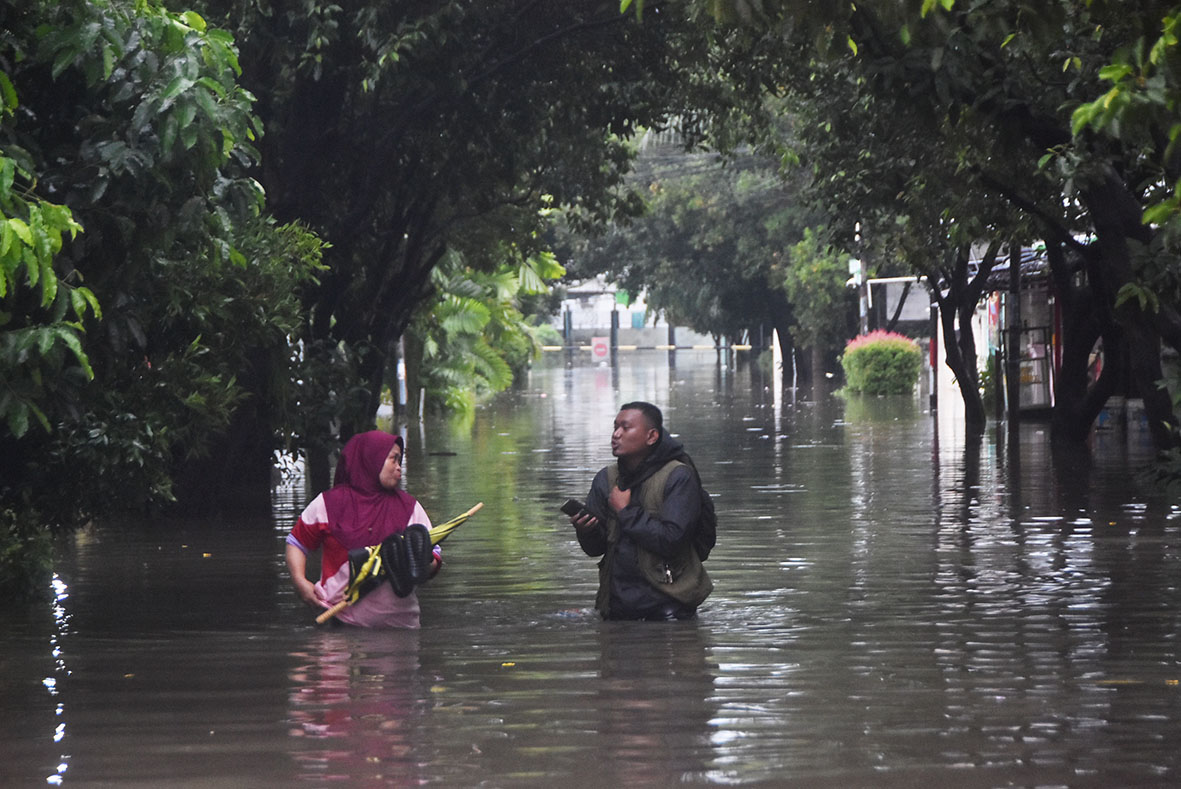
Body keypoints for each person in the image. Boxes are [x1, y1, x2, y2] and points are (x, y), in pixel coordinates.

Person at [570, 401, 712, 620]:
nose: (616, 434)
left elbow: (672, 540)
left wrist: (626, 511)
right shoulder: (605, 479)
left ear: (651, 436)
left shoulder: (679, 477)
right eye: (615, 427)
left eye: (626, 428)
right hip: (616, 607)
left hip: (669, 610)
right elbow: (595, 549)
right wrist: (585, 530)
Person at [286, 430, 441, 628]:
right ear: (372, 459)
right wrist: (299, 581)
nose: (399, 467)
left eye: (400, 460)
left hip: (401, 628)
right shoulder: (328, 504)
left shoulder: (409, 507)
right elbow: (297, 542)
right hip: (338, 623)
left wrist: (422, 562)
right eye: (393, 459)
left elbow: (434, 557)